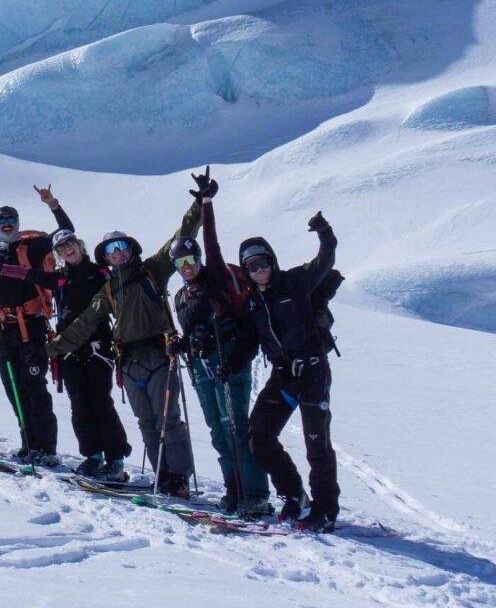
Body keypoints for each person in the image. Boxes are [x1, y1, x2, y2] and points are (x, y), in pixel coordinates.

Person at [48, 201, 200, 496]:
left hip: (159, 353)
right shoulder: (107, 289)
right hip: (129, 361)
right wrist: (51, 349)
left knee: (167, 419)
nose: (117, 252)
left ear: (130, 248)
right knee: (146, 421)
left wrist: (198, 205)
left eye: (121, 246)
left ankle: (178, 477)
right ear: (105, 256)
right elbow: (84, 323)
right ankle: (162, 477)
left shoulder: (152, 269)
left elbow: (180, 237)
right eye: (110, 249)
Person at [160, 172, 269, 518]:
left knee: (237, 427)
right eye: (180, 263)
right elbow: (191, 330)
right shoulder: (180, 296)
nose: (187, 267)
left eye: (191, 260)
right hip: (202, 370)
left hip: (230, 363)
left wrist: (206, 204)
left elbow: (213, 243)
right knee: (218, 432)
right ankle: (234, 491)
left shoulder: (217, 279)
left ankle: (256, 495)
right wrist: (180, 345)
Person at [239, 211, 340, 530]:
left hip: (312, 373)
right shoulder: (253, 303)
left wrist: (324, 232)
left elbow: (325, 259)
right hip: (283, 376)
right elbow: (248, 342)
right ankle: (295, 495)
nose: (260, 270)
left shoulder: (296, 281)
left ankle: (325, 511)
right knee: (259, 435)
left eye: (263, 262)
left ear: (272, 260)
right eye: (252, 266)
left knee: (317, 445)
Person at [0, 190, 73, 464]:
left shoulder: (35, 246)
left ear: (17, 222)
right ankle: (28, 444)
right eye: (2, 219)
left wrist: (53, 204)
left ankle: (47, 448)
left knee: (34, 385)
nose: (7, 223)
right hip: (4, 331)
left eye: (11, 219)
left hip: (33, 327)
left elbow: (66, 231)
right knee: (13, 387)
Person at [46, 215, 132, 481]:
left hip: (98, 349)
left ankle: (115, 459)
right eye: (61, 247)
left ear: (80, 244)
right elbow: (28, 275)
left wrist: (54, 207)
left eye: (71, 243)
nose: (68, 248)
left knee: (101, 402)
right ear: (58, 254)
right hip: (69, 352)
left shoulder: (100, 273)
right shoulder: (59, 279)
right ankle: (92, 456)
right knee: (79, 405)